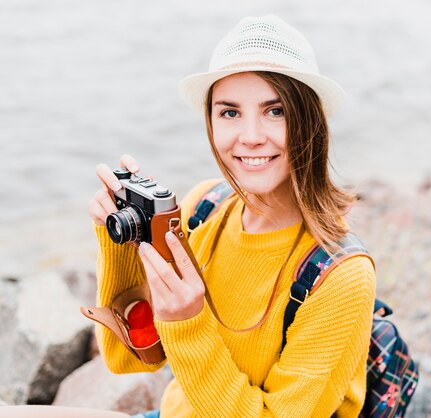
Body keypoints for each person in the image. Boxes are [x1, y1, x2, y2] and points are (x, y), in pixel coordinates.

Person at [86, 15, 375, 418]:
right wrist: (117, 242)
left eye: (275, 111)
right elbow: (131, 359)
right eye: (230, 113)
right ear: (210, 122)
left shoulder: (341, 277)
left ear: (311, 122)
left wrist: (188, 323)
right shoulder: (205, 207)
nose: (251, 135)